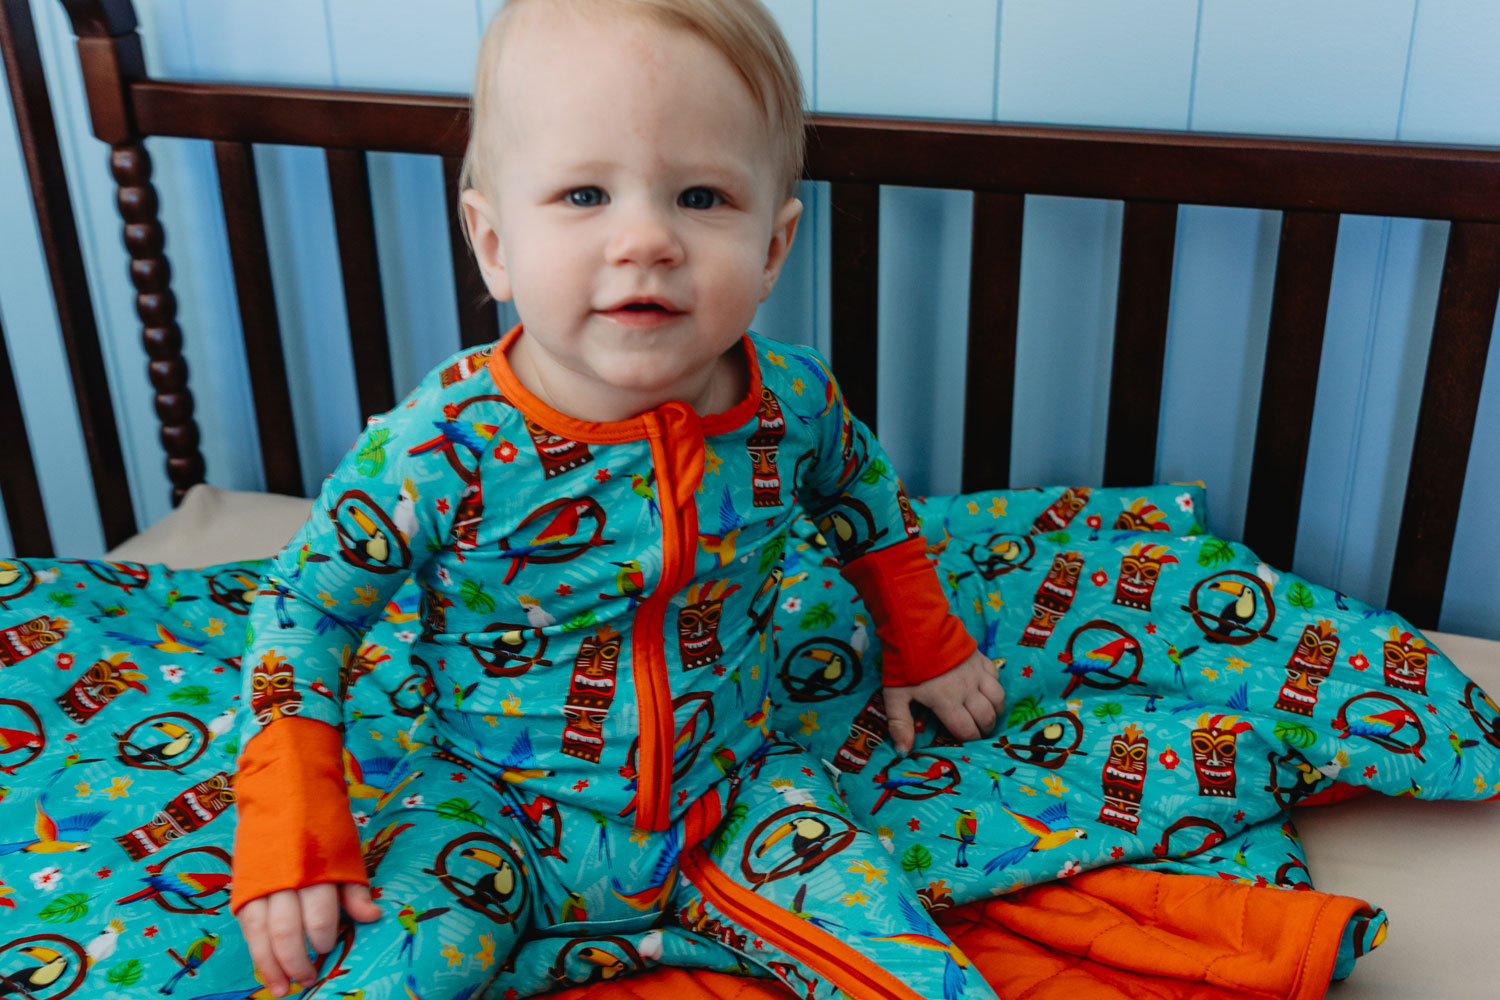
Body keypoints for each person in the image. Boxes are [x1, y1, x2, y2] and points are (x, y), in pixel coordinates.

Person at [230, 1, 1006, 997]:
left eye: (700, 196)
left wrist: (925, 638)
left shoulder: (796, 404)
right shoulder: (439, 444)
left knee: (917, 970)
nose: (645, 238)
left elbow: (862, 495)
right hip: (492, 808)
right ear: (494, 241)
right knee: (375, 973)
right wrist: (291, 789)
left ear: (773, 248)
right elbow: (307, 601)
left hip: (736, 795)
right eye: (586, 193)